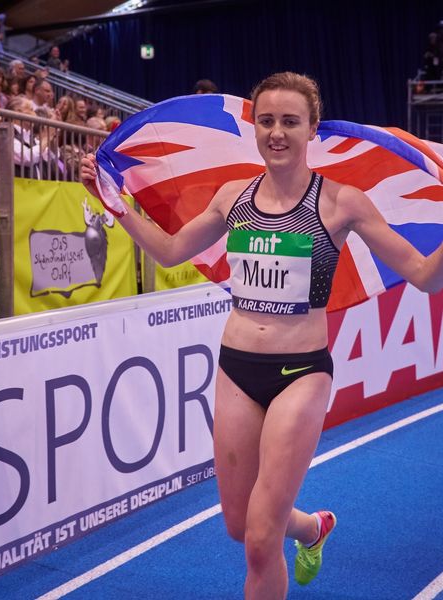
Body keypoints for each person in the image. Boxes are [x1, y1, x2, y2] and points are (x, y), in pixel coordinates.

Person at [80, 71, 443, 599]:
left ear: (312, 129)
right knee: (238, 524)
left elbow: (425, 277)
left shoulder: (342, 202)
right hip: (236, 369)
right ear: (254, 127)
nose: (277, 132)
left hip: (302, 374)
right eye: (267, 120)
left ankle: (288, 536)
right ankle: (312, 527)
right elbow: (171, 252)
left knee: (259, 540)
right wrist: (112, 203)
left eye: (290, 122)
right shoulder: (233, 197)